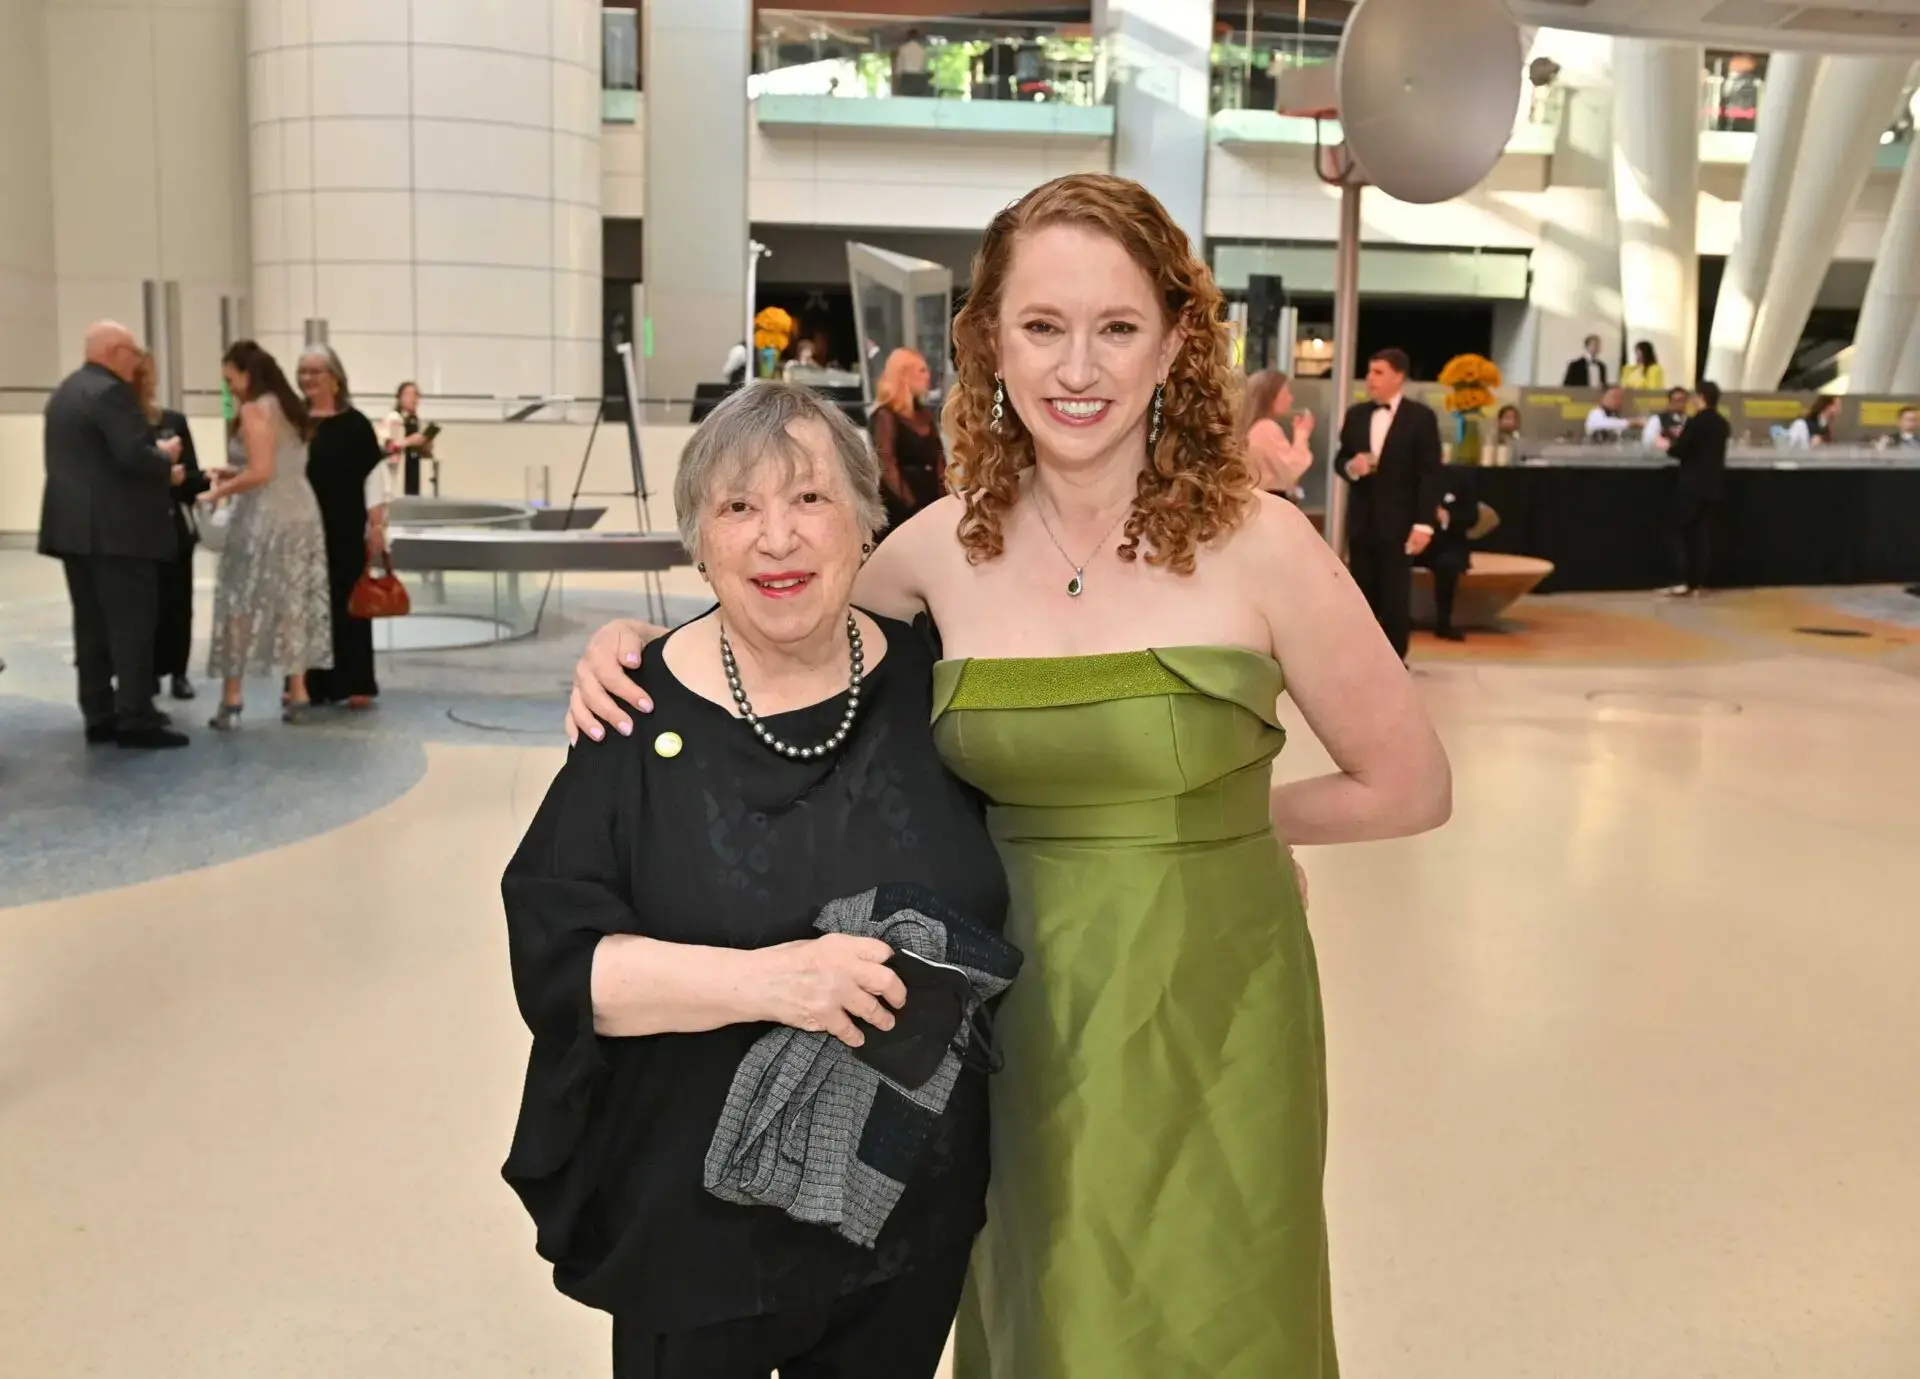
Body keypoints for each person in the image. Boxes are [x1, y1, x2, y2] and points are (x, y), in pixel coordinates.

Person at [563, 172, 1453, 1379]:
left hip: (1213, 995)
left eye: (1118, 327)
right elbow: (786, 643)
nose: (1076, 368)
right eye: (1042, 326)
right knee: (1033, 1297)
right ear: (987, 337)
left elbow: (1408, 783)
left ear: (1177, 340)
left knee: (1216, 1303)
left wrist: (1228, 821)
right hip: (996, 1003)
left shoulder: (1264, 544)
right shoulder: (933, 551)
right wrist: (634, 655)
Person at [502, 381, 1008, 1379]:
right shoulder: (633, 713)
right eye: (739, 506)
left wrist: (1250, 844)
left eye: (811, 499)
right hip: (694, 1226)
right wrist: (779, 981)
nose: (777, 536)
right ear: (700, 541)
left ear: (868, 521)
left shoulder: (938, 685)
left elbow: (1062, 823)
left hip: (905, 1217)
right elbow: (565, 966)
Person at [37, 321, 188, 749]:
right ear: (117, 351)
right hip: (119, 533)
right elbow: (132, 455)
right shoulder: (111, 394)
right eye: (134, 353)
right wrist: (166, 458)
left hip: (72, 531)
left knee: (91, 626)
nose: (137, 361)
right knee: (131, 625)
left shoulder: (65, 392)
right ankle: (137, 717)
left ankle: (99, 712)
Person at [200, 340, 333, 727]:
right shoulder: (290, 408)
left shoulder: (255, 410)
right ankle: (299, 692)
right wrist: (232, 473)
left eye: (230, 378)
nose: (229, 388)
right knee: (293, 601)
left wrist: (218, 490)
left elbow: (260, 472)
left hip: (265, 515)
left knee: (239, 602)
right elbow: (279, 463)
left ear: (247, 373)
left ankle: (232, 699)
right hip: (302, 511)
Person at [1334, 347, 1444, 662]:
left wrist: (1424, 524)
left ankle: (1395, 662)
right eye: (1369, 372)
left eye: (1378, 372)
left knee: (1396, 595)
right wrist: (1351, 467)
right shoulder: (1356, 415)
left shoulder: (1421, 418)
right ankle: (1360, 658)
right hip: (1362, 521)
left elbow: (1430, 475)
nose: (1370, 379)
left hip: (1400, 523)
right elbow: (1339, 460)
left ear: (1399, 376)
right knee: (1361, 595)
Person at [296, 346, 388, 709]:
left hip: (346, 527)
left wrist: (377, 524)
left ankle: (355, 680)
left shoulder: (355, 424)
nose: (307, 379)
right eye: (303, 372)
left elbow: (374, 478)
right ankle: (311, 682)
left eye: (315, 372)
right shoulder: (295, 423)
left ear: (335, 378)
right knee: (307, 606)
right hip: (303, 526)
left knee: (350, 605)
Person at [132, 349, 211, 701]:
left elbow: (192, 476)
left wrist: (197, 480)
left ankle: (179, 671)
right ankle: (145, 671)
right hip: (136, 526)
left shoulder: (174, 420)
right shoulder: (122, 424)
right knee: (143, 603)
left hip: (173, 523)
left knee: (179, 601)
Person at [869, 347, 947, 534]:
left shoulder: (924, 414)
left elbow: (939, 459)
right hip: (901, 507)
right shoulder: (885, 416)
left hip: (931, 502)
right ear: (904, 375)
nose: (928, 376)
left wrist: (946, 499)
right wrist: (913, 507)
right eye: (922, 370)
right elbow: (887, 466)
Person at [1665, 380, 1732, 597]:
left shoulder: (1696, 422)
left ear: (1701, 397)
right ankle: (1698, 581)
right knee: (1701, 535)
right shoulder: (1722, 423)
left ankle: (1681, 579)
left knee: (1680, 531)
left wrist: (1668, 446)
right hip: (1712, 486)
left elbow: (1680, 450)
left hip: (1691, 486)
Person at [1418, 463, 1482, 643]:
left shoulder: (1459, 478)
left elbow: (1472, 517)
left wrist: (1447, 518)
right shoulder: (1409, 476)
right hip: (1414, 541)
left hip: (1449, 543)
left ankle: (1444, 623)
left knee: (1447, 564)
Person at [1239, 368, 1314, 498]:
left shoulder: (1252, 427)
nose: (1291, 399)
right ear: (1270, 397)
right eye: (1286, 393)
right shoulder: (1265, 428)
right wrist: (1302, 434)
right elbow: (1291, 468)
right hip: (1267, 499)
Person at [383, 381, 432, 496]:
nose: (413, 399)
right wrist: (409, 441)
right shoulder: (393, 418)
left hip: (416, 470)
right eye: (409, 394)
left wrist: (426, 444)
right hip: (398, 473)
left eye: (416, 395)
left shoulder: (418, 421)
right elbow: (386, 447)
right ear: (400, 398)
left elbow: (425, 453)